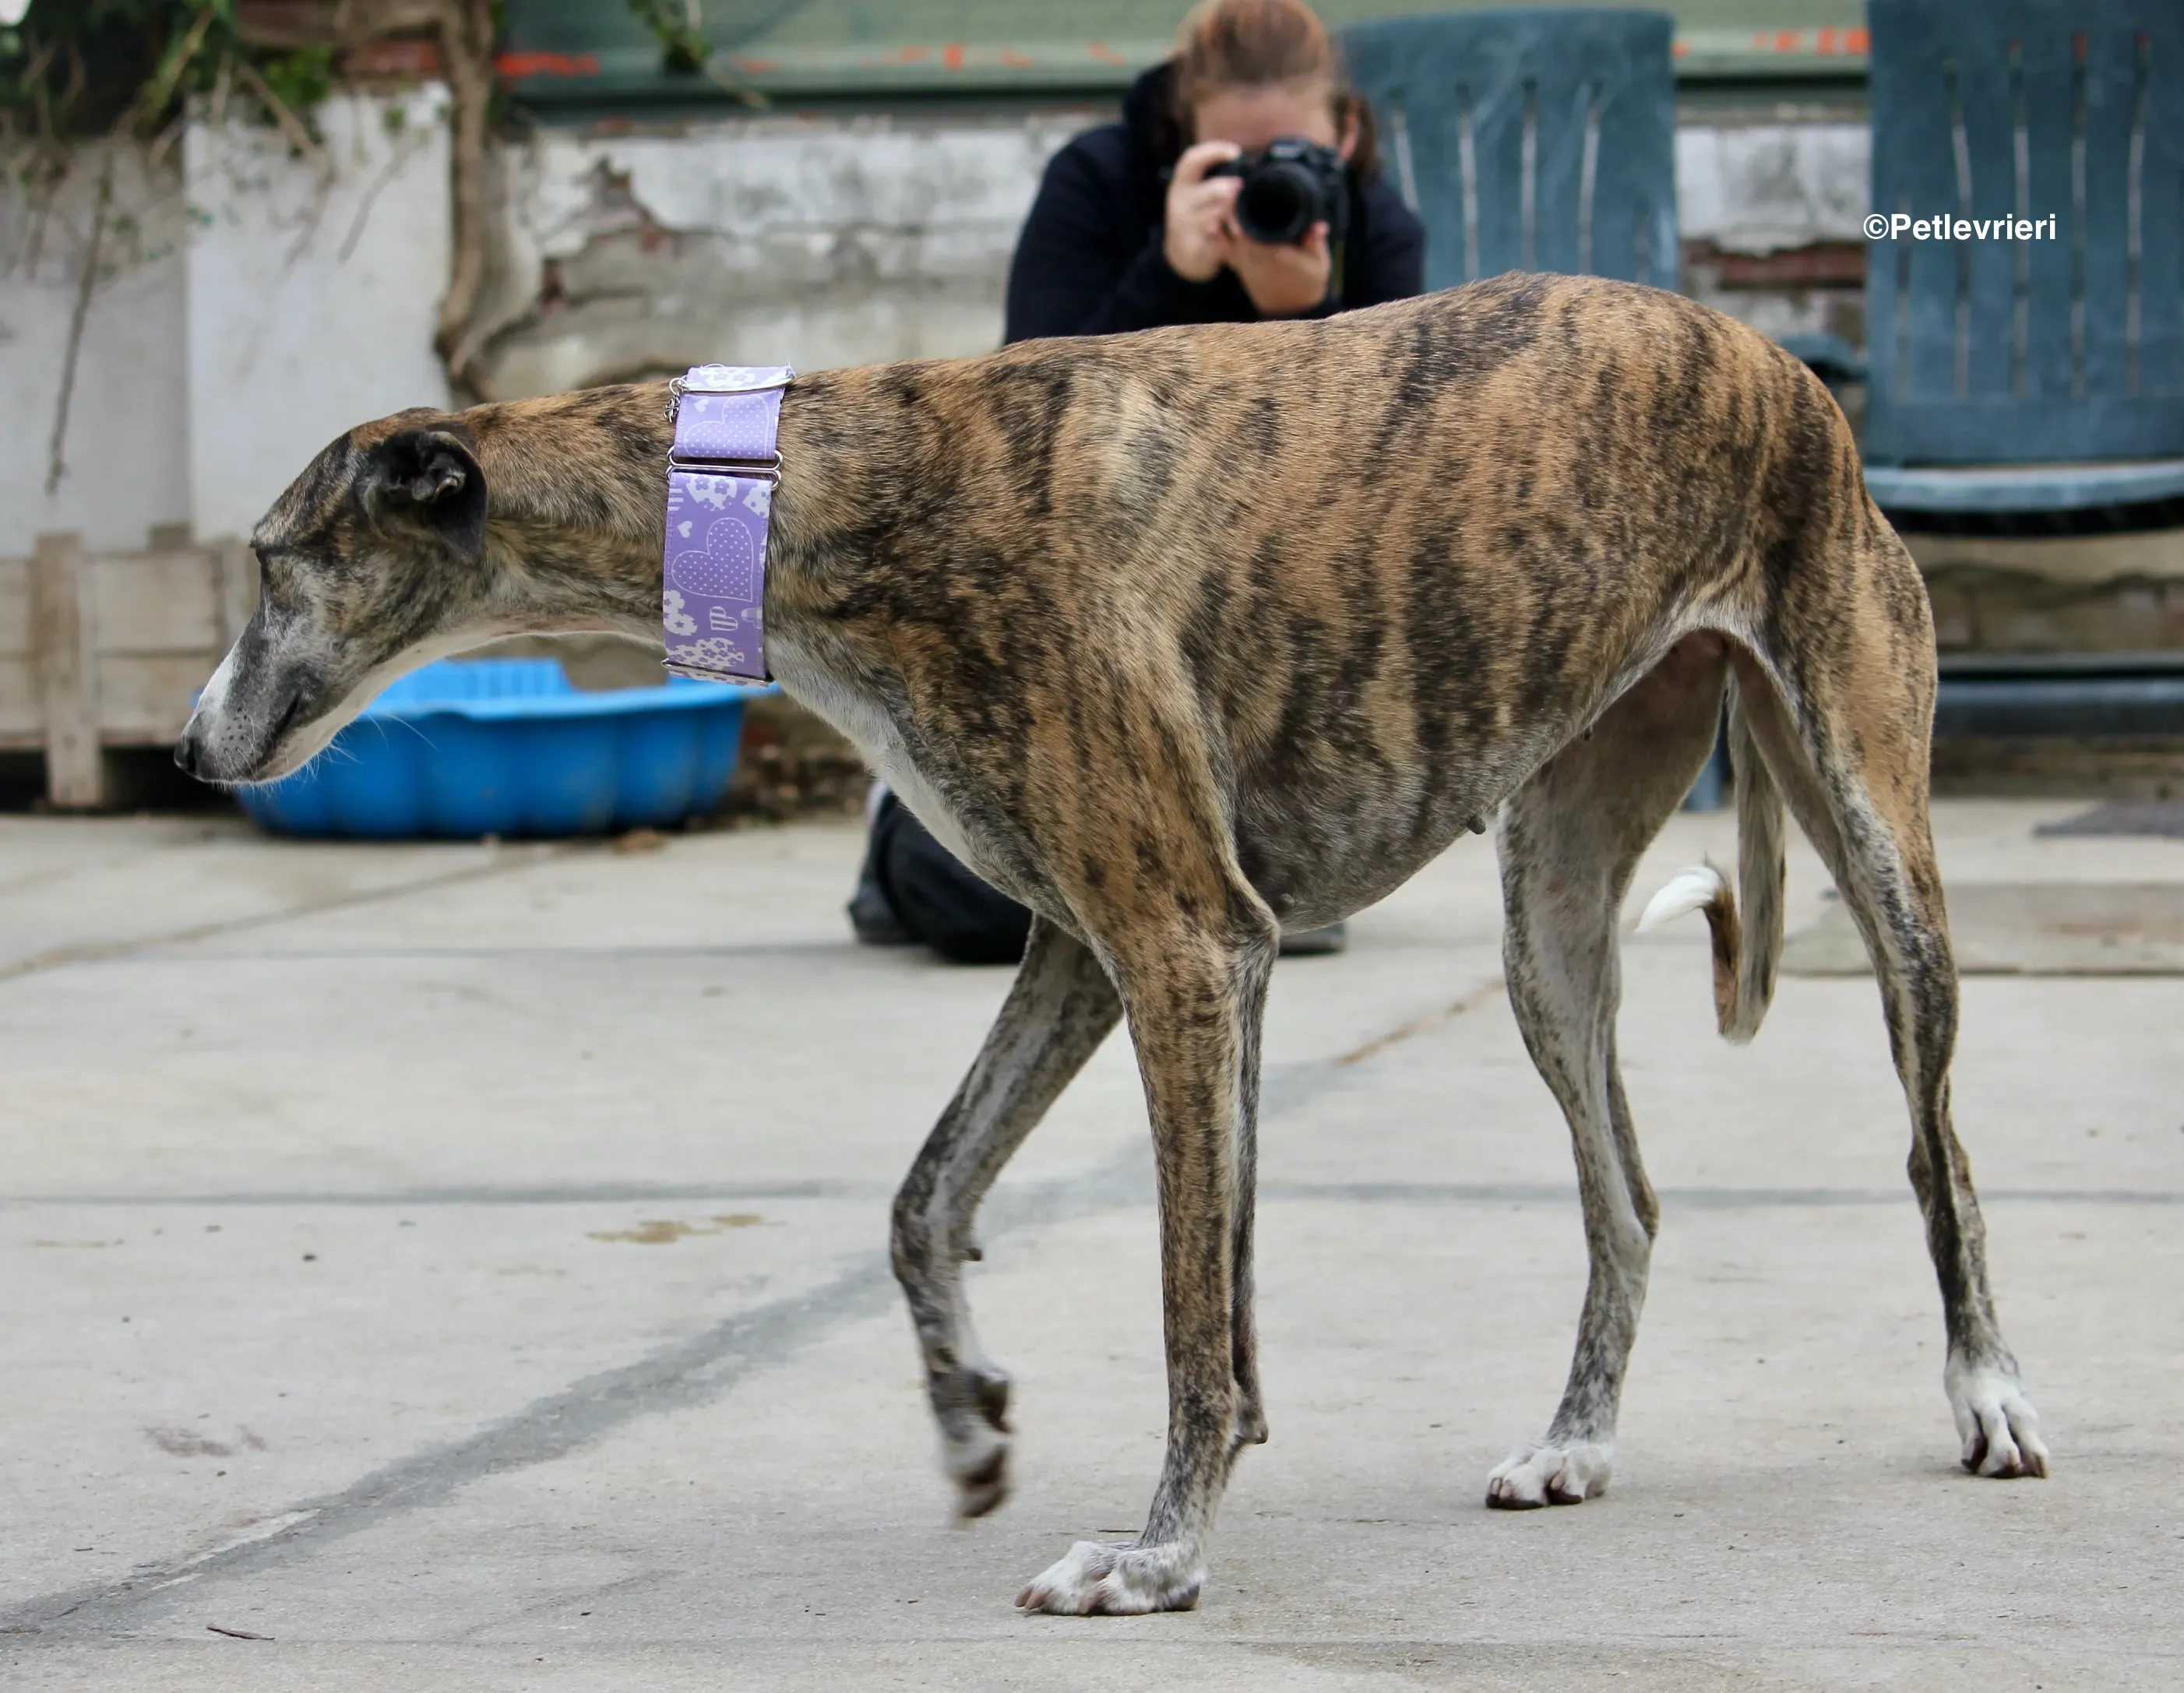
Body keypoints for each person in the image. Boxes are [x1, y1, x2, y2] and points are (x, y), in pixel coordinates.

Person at [849, 0, 1426, 963]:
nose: (1264, 185)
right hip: (1074, 618)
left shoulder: (1374, 224)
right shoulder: (1095, 183)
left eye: (1290, 154)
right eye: (1234, 164)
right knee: (977, 906)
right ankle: (901, 821)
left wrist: (1309, 324)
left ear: (1347, 132)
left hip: (1256, 648)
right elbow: (1012, 435)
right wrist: (1166, 269)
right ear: (1179, 137)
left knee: (1234, 901)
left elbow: (1384, 492)